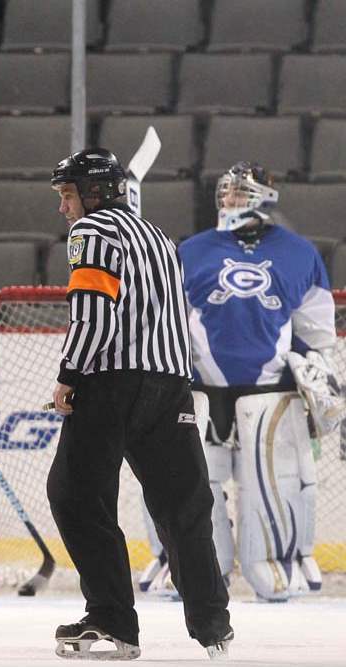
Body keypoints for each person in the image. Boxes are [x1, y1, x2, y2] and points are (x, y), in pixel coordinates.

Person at [45, 148, 233, 660]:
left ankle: (112, 623)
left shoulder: (93, 233)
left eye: (67, 195)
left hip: (110, 384)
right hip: (170, 387)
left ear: (94, 193)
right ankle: (213, 623)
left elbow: (94, 315)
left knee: (76, 497)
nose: (64, 209)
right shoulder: (160, 237)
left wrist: (68, 375)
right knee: (183, 507)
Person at [173, 162, 339, 601]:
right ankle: (194, 569)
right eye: (225, 193)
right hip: (202, 392)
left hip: (272, 393)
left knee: (276, 483)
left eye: (240, 194)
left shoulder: (300, 253)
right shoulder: (187, 251)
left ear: (265, 197)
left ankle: (282, 562)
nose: (229, 202)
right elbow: (165, 326)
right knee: (191, 485)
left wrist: (327, 379)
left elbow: (318, 333)